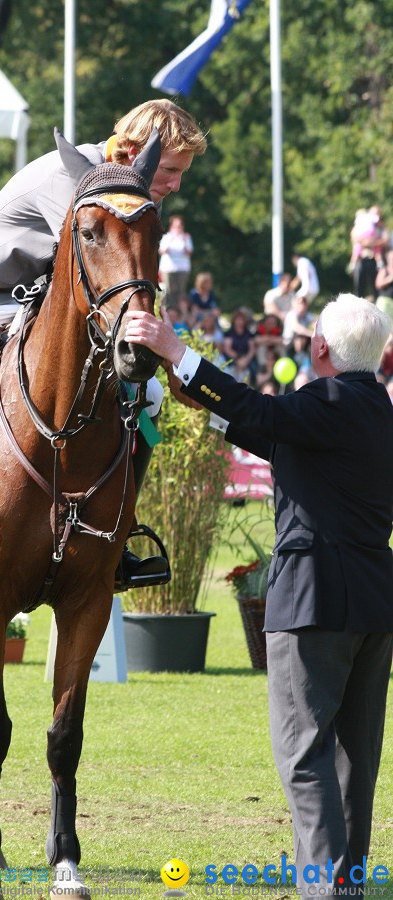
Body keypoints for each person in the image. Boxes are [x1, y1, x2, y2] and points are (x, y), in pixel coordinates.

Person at [123, 293, 393, 899]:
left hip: (315, 597)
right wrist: (198, 395)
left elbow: (262, 412)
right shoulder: (375, 410)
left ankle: (323, 886)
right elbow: (265, 430)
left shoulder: (324, 401)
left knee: (303, 752)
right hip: (374, 601)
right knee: (355, 756)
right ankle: (344, 880)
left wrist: (177, 354)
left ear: (319, 347)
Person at [0, 99, 208, 584]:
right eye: (169, 169)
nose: (175, 185)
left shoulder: (126, 193)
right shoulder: (75, 177)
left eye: (182, 173)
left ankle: (118, 530)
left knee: (150, 398)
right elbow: (85, 270)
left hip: (47, 305)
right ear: (131, 151)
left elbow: (119, 284)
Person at [158, 215, 193, 311]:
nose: (179, 228)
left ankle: (180, 312)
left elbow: (189, 252)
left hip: (183, 268)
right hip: (168, 268)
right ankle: (169, 311)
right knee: (168, 291)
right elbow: (162, 251)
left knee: (181, 292)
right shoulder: (167, 237)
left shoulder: (186, 237)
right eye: (176, 225)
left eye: (180, 225)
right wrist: (171, 239)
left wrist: (183, 240)